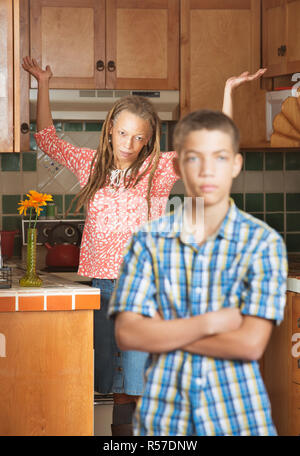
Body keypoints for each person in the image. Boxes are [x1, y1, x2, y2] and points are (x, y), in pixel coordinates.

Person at [22, 55, 266, 436]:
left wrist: (228, 91)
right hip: (103, 288)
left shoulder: (160, 168)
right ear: (110, 131)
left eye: (138, 137)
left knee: (141, 385)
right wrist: (43, 83)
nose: (129, 144)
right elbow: (48, 139)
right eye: (123, 134)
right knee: (116, 386)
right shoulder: (90, 165)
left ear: (149, 138)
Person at [108, 109, 288, 436]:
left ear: (235, 164)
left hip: (238, 419)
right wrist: (212, 323)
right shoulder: (147, 242)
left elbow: (249, 344)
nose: (207, 171)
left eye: (219, 158)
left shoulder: (263, 243)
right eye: (194, 158)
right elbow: (129, 335)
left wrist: (162, 331)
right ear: (177, 167)